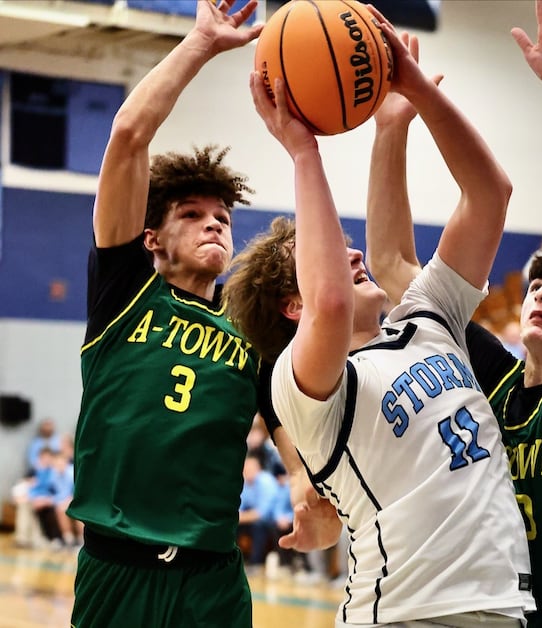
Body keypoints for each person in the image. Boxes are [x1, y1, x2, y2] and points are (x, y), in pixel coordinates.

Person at [223, 11, 534, 627]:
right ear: (294, 306)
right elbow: (333, 304)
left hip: (501, 605)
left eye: (346, 245)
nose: (353, 255)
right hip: (403, 613)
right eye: (328, 255)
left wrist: (413, 93)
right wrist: (303, 151)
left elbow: (490, 196)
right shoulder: (302, 387)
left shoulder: (428, 319)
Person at [64, 3, 339, 627]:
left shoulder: (252, 330)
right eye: (191, 215)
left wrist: (304, 487)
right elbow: (128, 136)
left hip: (213, 577)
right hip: (118, 566)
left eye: (222, 216)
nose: (213, 223)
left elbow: (282, 419)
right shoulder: (125, 294)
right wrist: (201, 43)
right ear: (151, 239)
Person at [364, 2, 542, 626]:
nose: (541, 293)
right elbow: (392, 266)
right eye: (538, 285)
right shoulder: (496, 381)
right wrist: (390, 131)